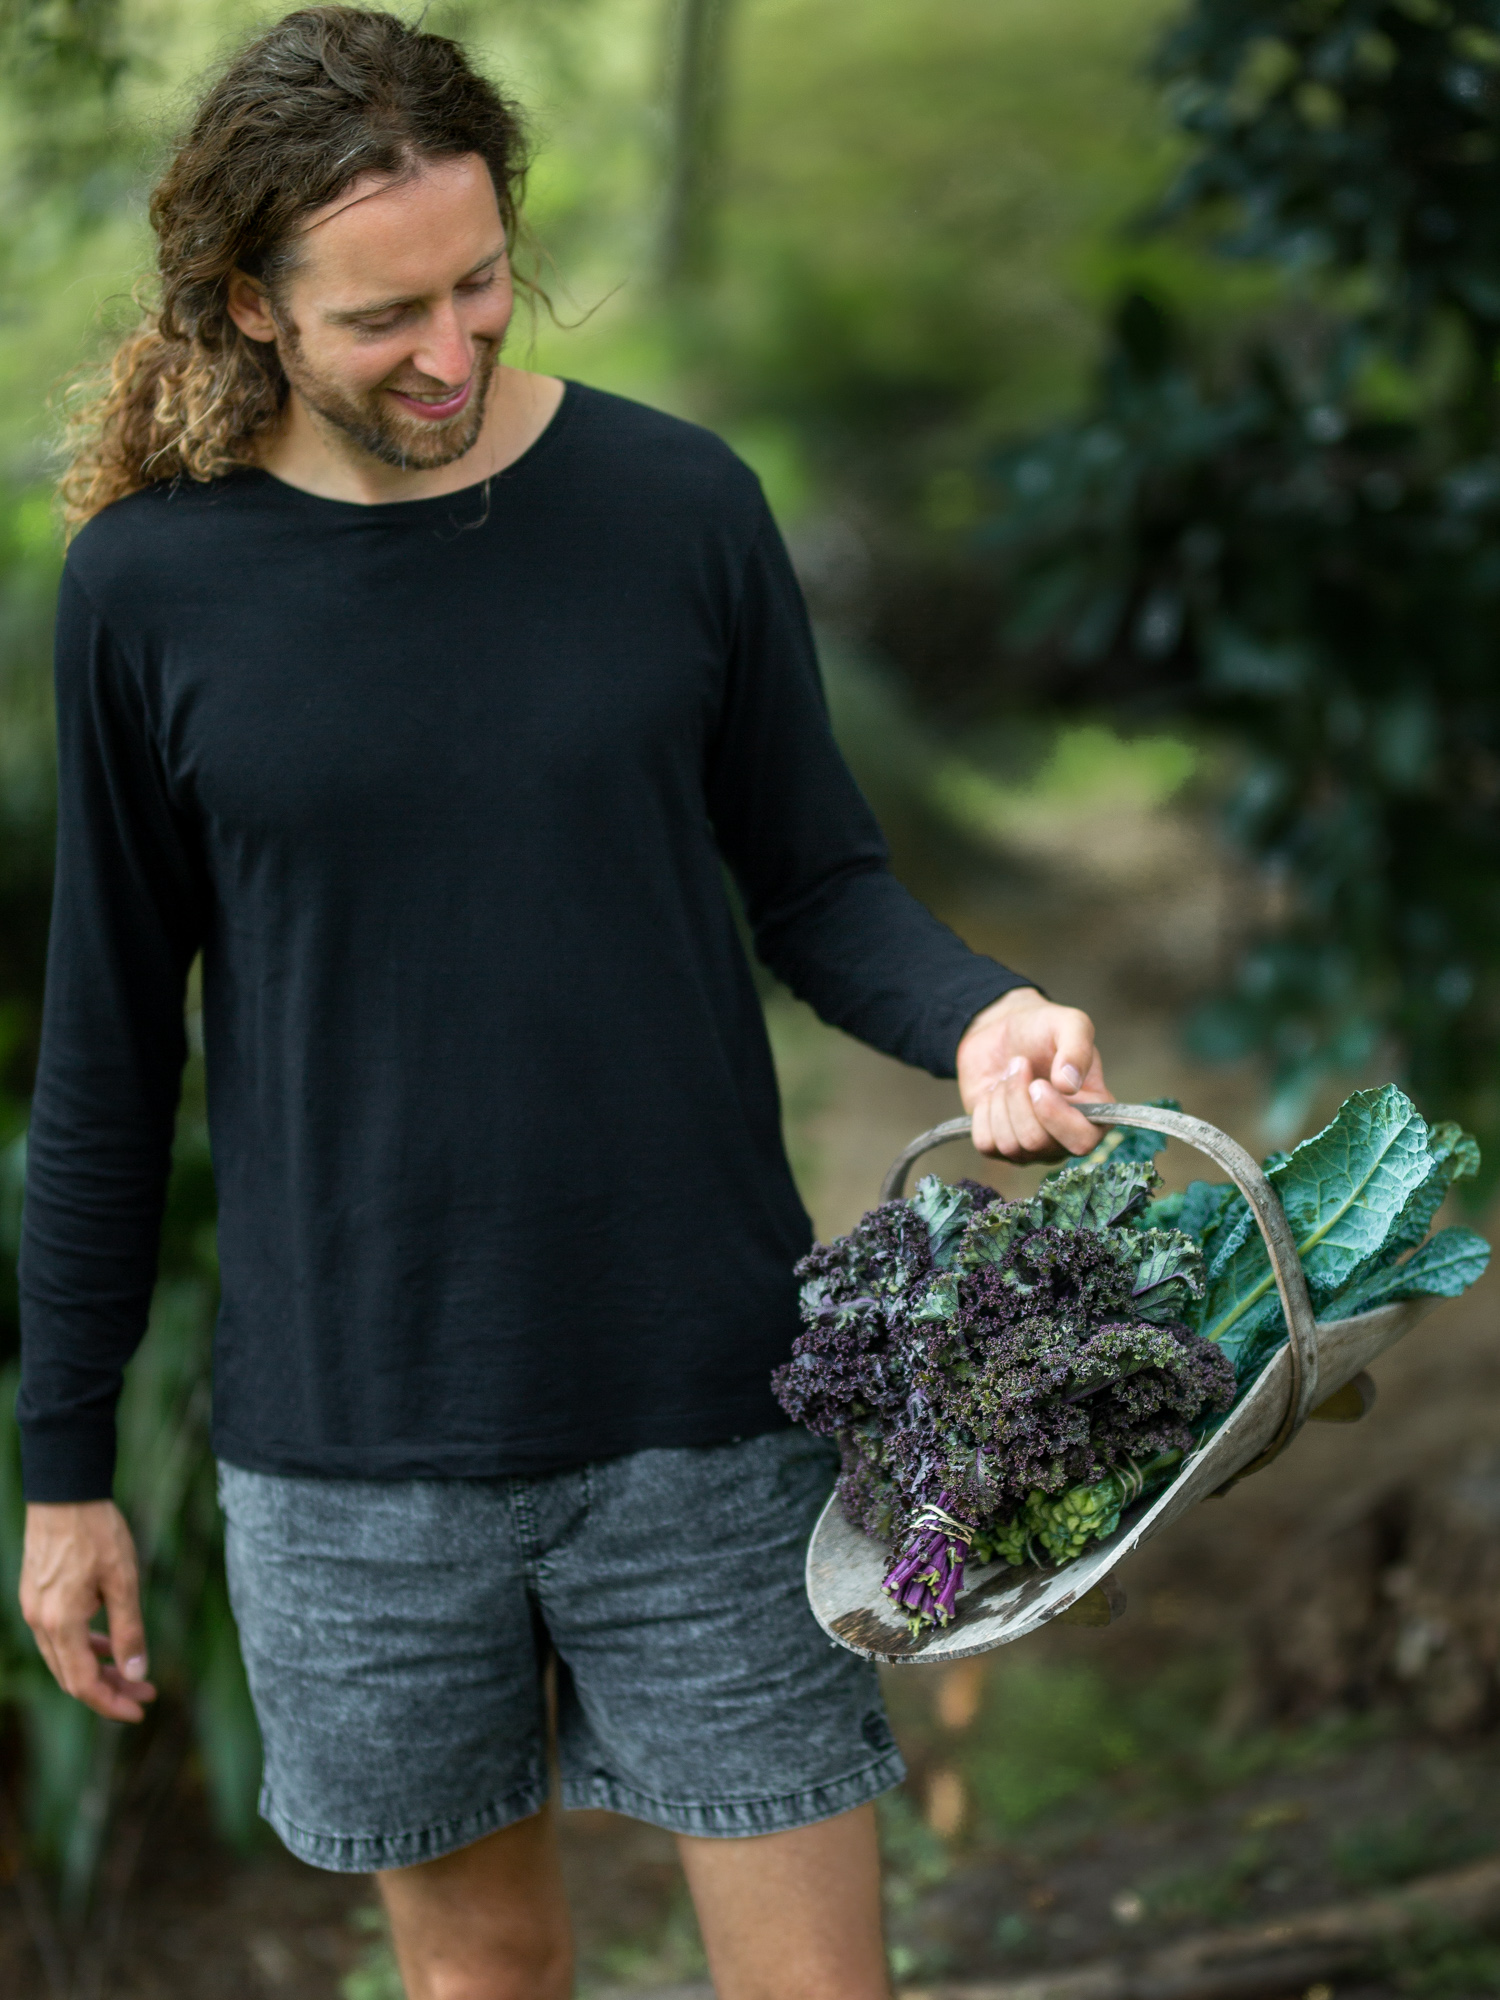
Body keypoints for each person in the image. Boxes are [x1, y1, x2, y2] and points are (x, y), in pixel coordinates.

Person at [16, 10, 1113, 1998]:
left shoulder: (675, 506)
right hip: (349, 1456)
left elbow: (818, 879)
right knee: (483, 1978)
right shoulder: (147, 591)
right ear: (251, 306)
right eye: (381, 319)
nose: (450, 353)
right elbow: (104, 1057)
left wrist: (977, 1011)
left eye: (479, 285)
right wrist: (64, 1466)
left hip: (705, 1406)